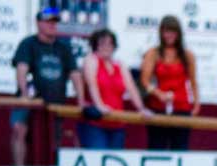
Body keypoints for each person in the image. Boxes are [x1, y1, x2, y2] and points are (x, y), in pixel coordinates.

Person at [10, 7, 84, 166]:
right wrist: (24, 94)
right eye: (48, 22)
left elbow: (75, 75)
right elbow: (21, 69)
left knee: (54, 138)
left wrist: (81, 100)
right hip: (29, 97)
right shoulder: (28, 43)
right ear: (38, 23)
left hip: (55, 98)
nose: (52, 25)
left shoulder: (63, 47)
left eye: (55, 22)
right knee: (18, 128)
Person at [78, 29, 149, 149]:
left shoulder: (120, 65)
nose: (106, 47)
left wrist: (141, 108)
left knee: (113, 164)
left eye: (110, 43)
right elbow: (92, 84)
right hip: (95, 123)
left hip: (117, 123)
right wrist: (100, 106)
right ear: (95, 45)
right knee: (97, 161)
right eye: (102, 43)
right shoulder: (91, 60)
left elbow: (131, 88)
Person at [139, 15, 200, 150]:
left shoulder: (187, 55)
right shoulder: (153, 53)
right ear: (161, 33)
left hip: (181, 107)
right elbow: (144, 80)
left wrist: (196, 104)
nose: (169, 35)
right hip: (158, 106)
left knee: (180, 148)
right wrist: (158, 93)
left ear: (178, 33)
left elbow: (193, 82)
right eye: (166, 31)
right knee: (156, 147)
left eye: (173, 31)